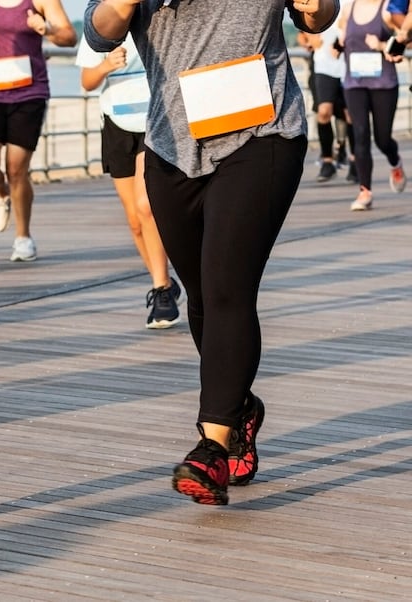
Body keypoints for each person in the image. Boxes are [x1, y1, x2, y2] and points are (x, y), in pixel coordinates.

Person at [84, 0, 338, 505]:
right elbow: (100, 34)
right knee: (201, 295)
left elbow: (317, 15)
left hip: (261, 132)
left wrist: (317, 8)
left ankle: (212, 446)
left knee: (227, 288)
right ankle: (239, 406)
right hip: (172, 145)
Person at [74, 33, 183, 329]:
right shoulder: (99, 21)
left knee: (145, 205)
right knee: (135, 220)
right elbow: (87, 82)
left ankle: (161, 291)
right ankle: (164, 283)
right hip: (118, 124)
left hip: (156, 120)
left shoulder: (155, 16)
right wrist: (106, 65)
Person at [0, 0, 76, 262]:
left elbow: (69, 37)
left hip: (30, 93)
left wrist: (45, 27)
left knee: (17, 169)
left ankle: (23, 237)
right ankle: (1, 191)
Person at [336, 0, 407, 211]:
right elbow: (342, 37)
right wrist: (337, 47)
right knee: (360, 134)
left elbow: (405, 41)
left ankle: (395, 161)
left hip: (383, 84)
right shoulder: (350, 8)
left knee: (383, 138)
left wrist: (383, 46)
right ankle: (364, 191)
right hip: (354, 83)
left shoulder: (388, 9)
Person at [297, 18, 358, 184]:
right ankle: (327, 161)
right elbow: (301, 28)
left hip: (349, 64)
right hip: (323, 66)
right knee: (323, 112)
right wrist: (308, 37)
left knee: (350, 115)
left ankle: (355, 160)